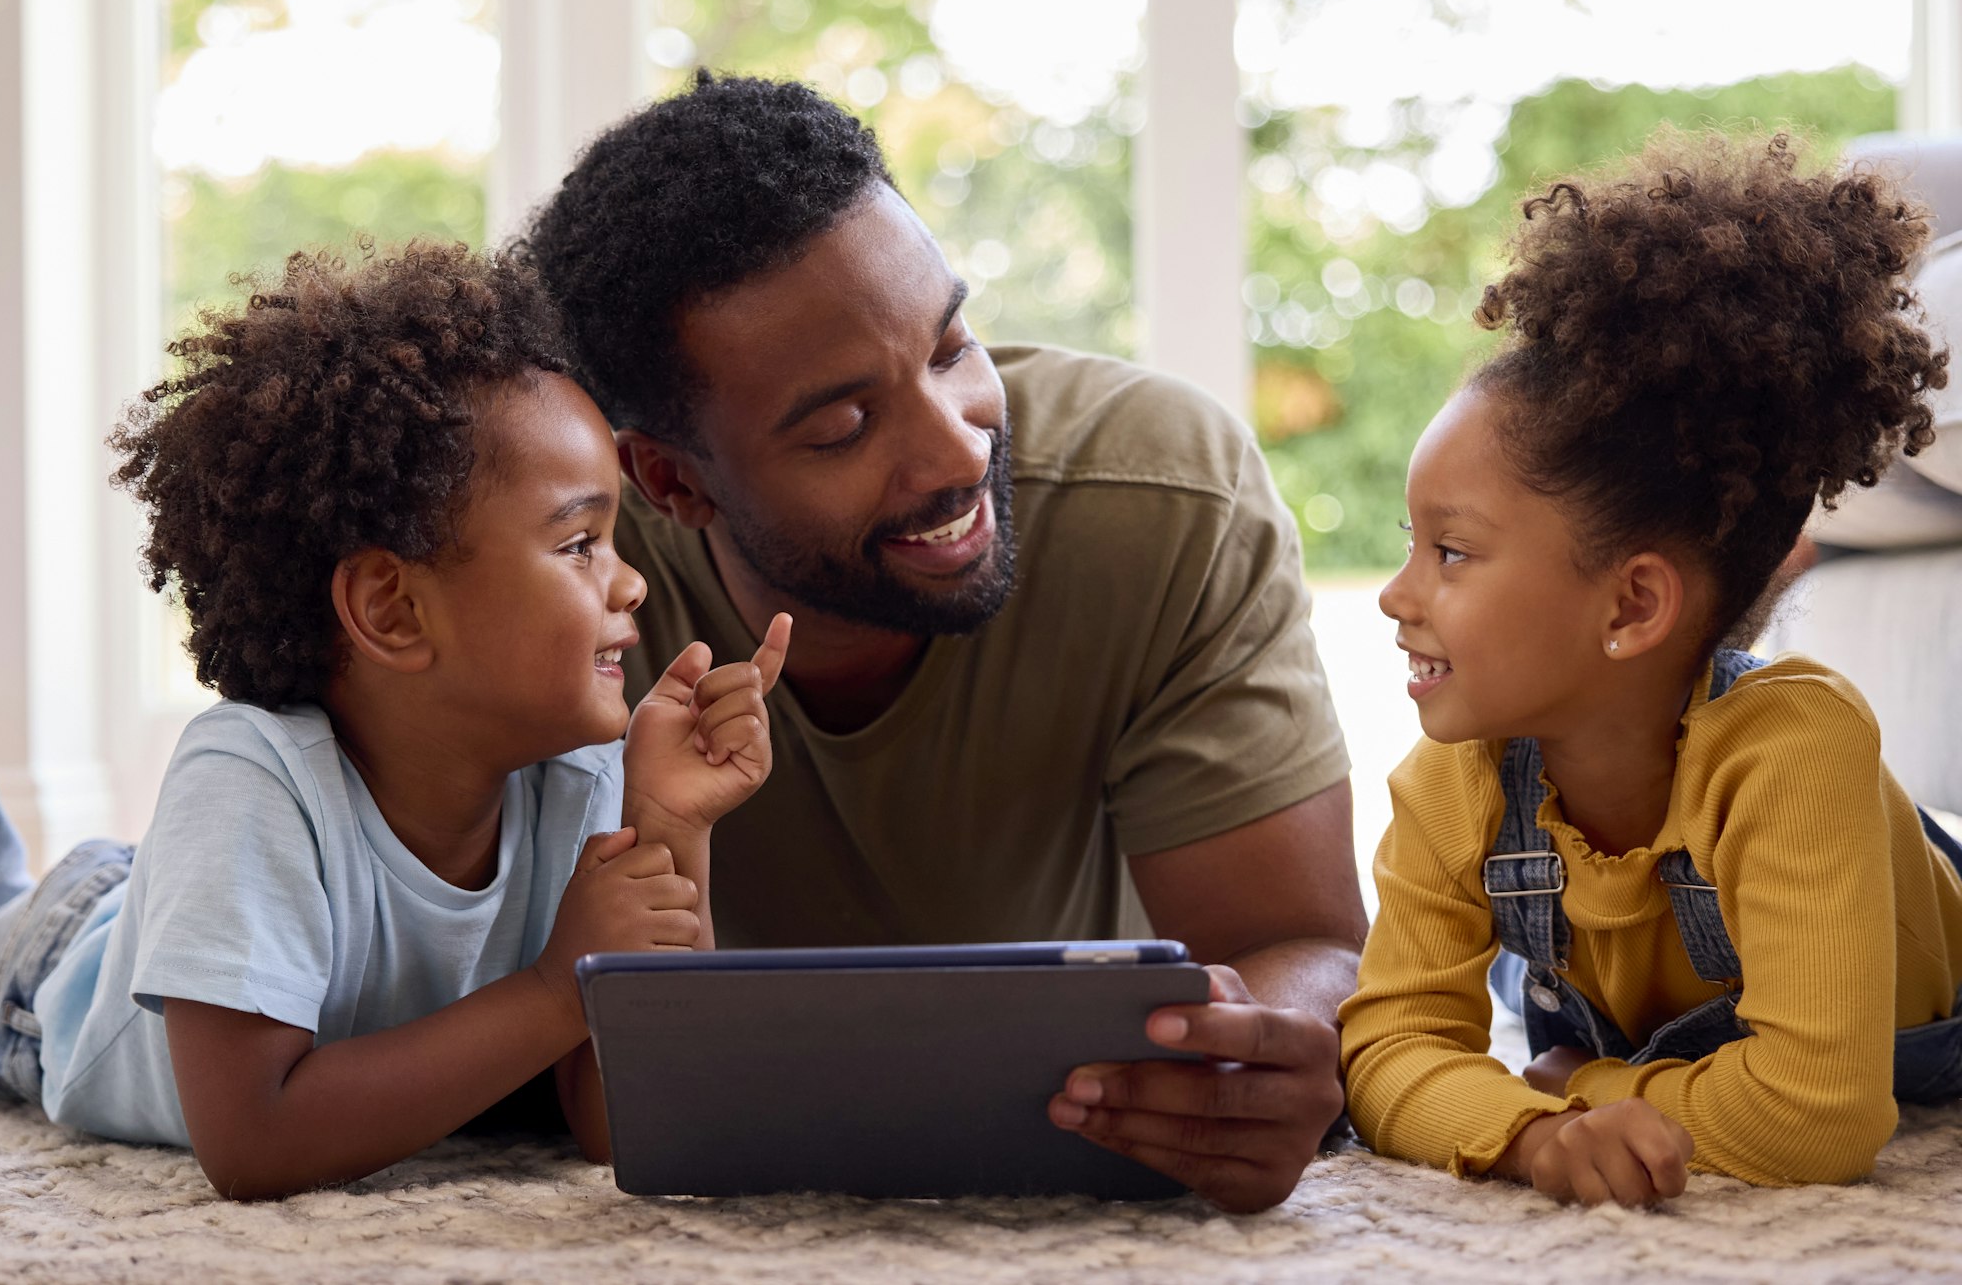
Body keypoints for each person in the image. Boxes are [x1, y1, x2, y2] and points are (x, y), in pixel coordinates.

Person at [522, 72, 1364, 1213]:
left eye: (951, 346)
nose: (956, 450)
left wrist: (1262, 1057)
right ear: (670, 481)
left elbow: (1300, 941)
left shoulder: (1163, 500)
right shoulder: (572, 588)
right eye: (843, 426)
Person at [0, 243, 789, 1199]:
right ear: (393, 610)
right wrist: (555, 990)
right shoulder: (249, 777)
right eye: (578, 543)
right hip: (49, 973)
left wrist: (672, 828)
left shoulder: (583, 772)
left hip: (193, 892)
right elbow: (254, 1142)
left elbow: (633, 1120)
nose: (633, 580)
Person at [1339, 127, 1962, 1208]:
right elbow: (1385, 1049)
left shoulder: (1792, 746)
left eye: (1448, 552)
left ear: (1629, 606)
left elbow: (1820, 1112)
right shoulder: (1456, 781)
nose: (1396, 595)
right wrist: (1528, 1134)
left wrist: (1583, 1083)